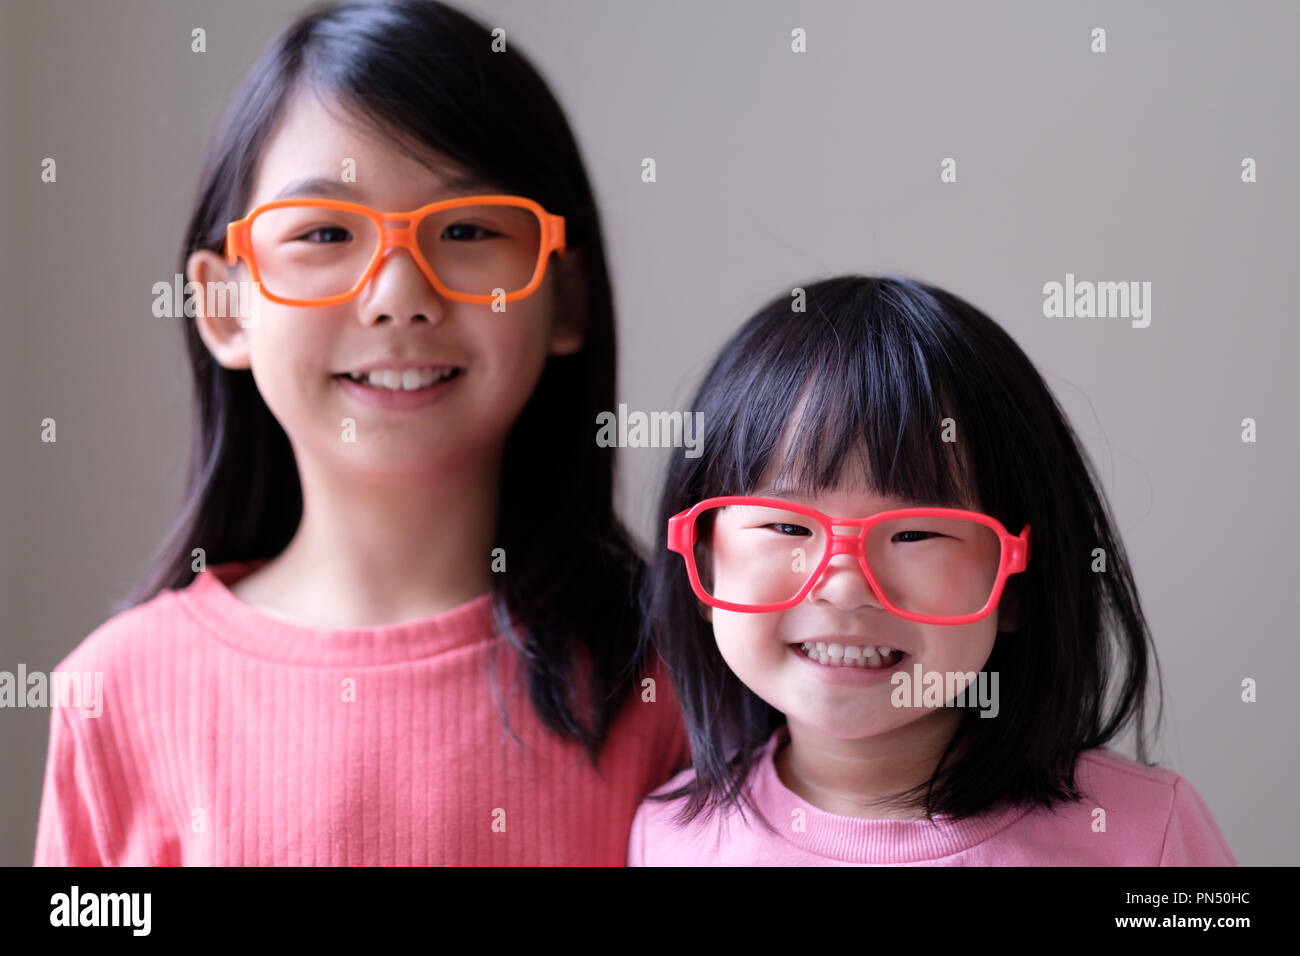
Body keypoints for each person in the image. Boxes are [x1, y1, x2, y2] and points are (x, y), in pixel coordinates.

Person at [34, 0, 688, 866]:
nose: (396, 294)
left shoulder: (680, 678)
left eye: (465, 230)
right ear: (224, 307)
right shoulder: (112, 692)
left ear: (562, 295)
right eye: (325, 233)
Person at [629, 275, 1236, 865]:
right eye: (787, 527)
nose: (844, 587)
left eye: (915, 533)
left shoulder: (1145, 835)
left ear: (1016, 582)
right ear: (703, 561)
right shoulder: (671, 842)